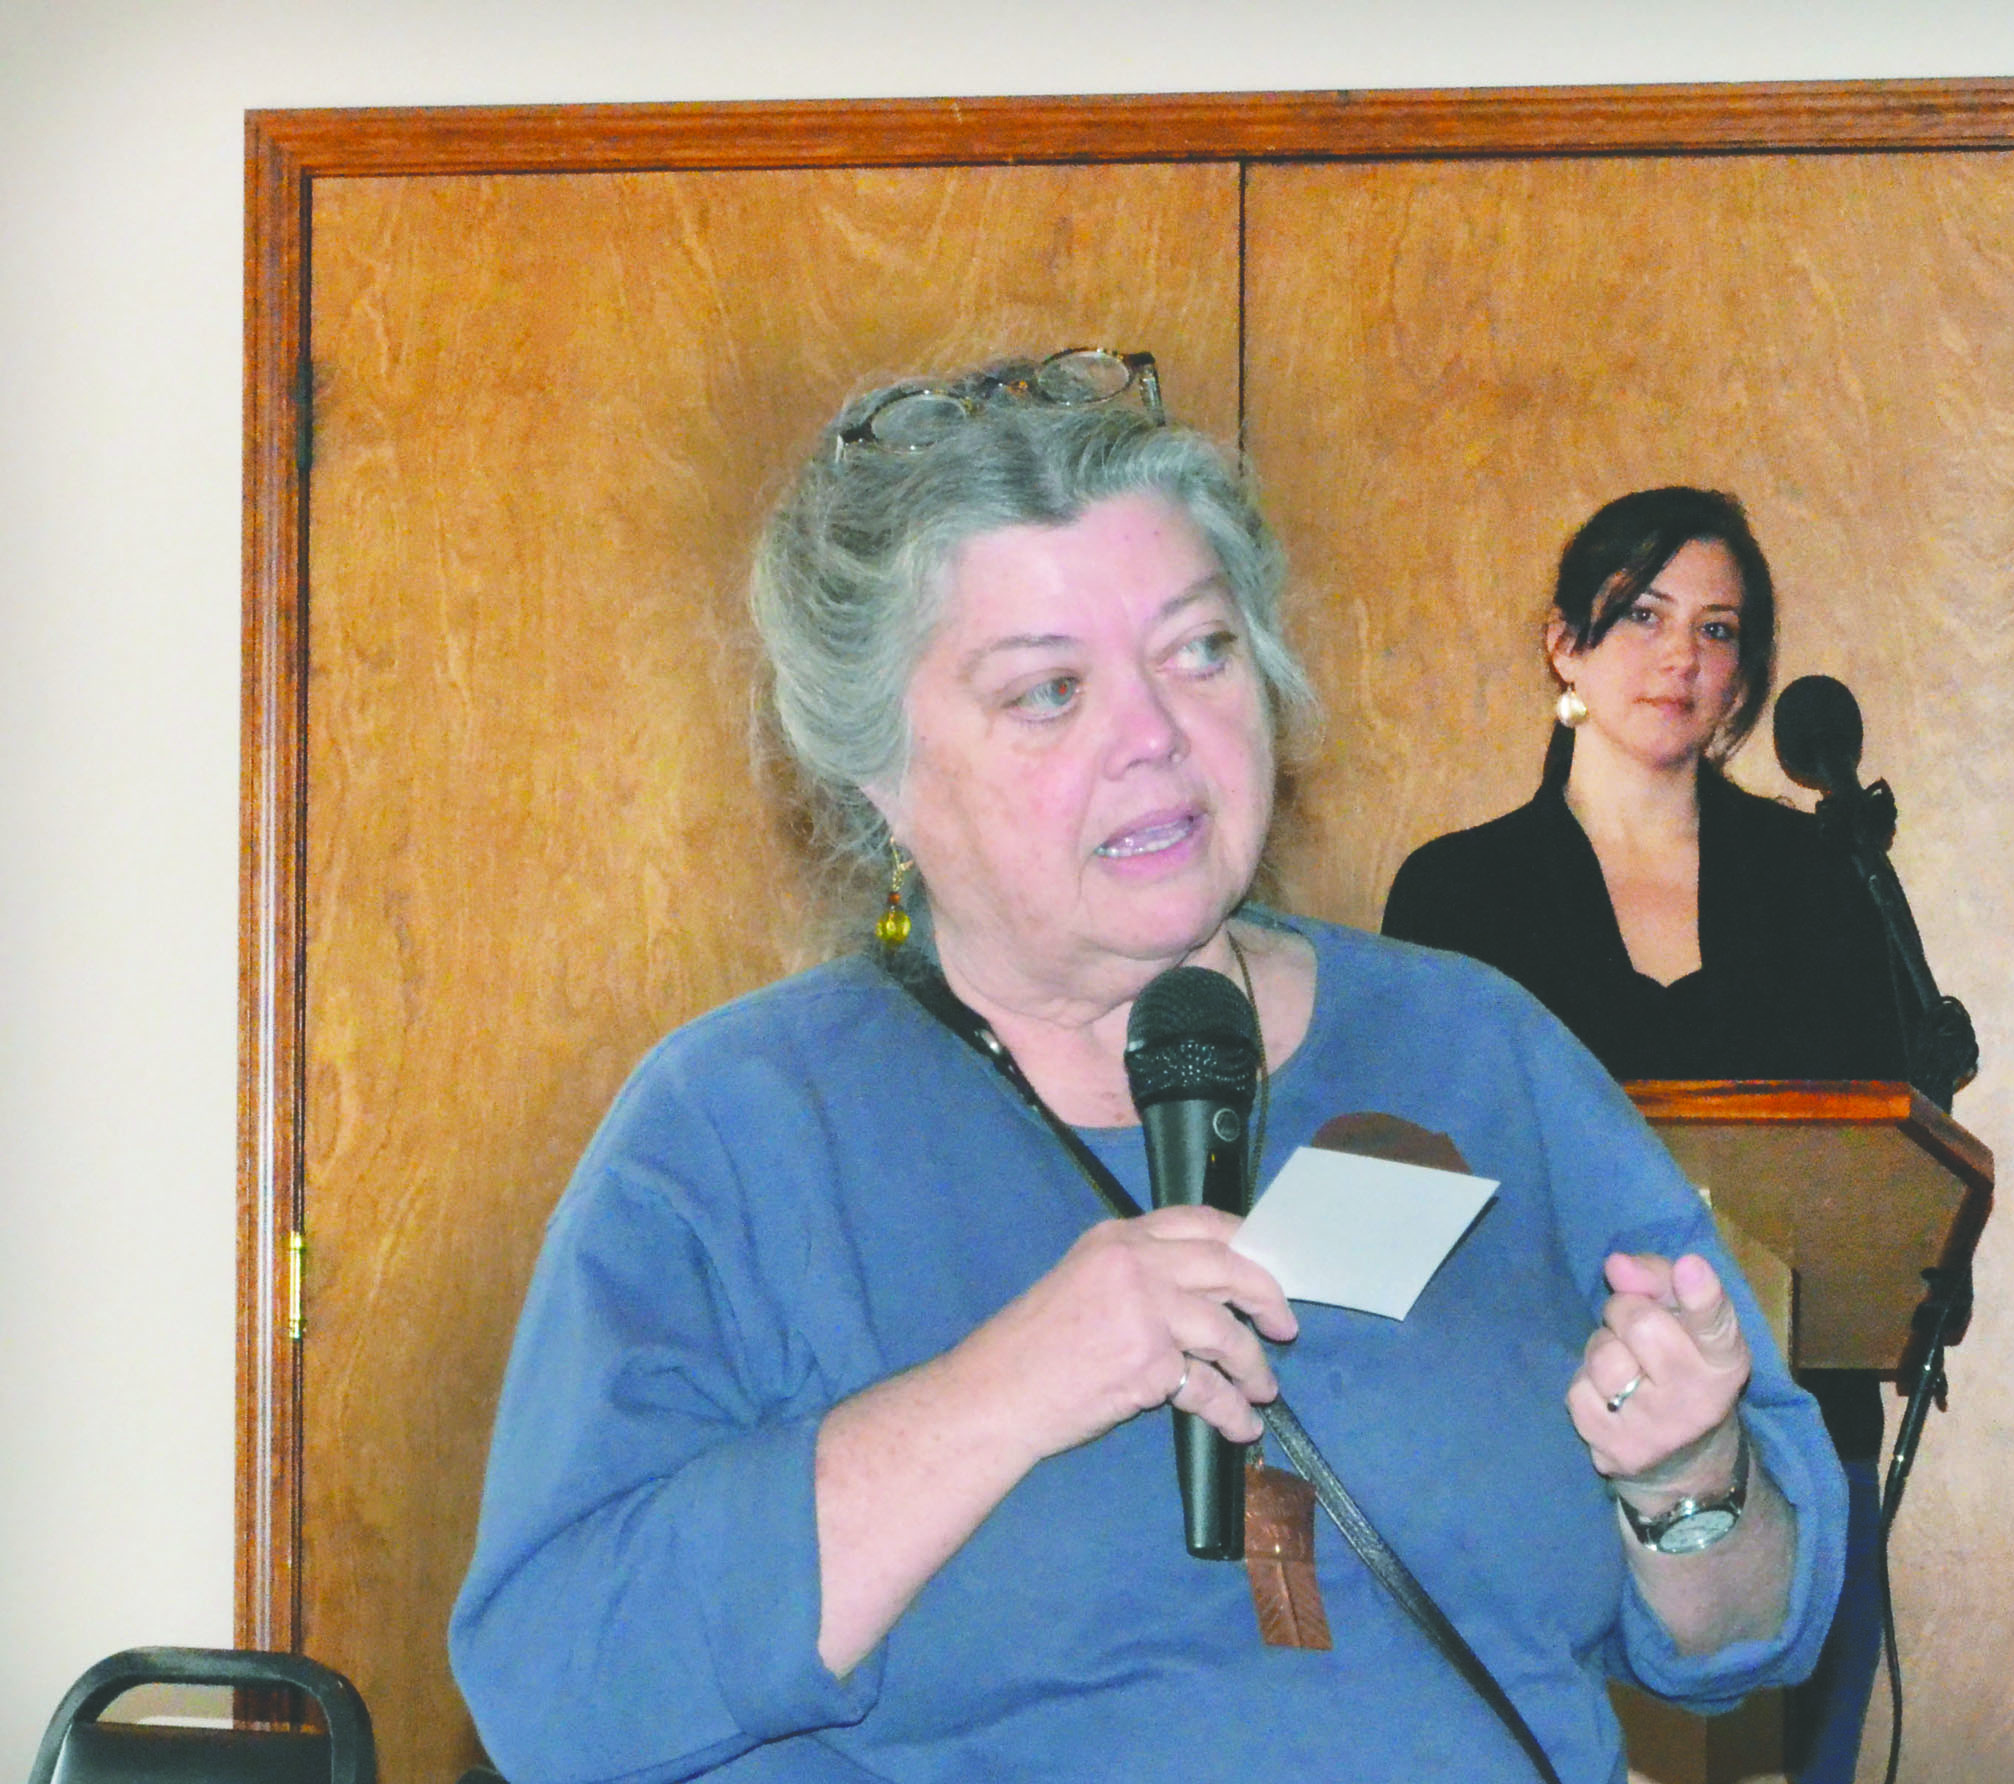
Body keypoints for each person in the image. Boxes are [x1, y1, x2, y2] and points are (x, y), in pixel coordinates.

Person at [449, 360, 1846, 1784]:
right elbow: (563, 1693)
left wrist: (1687, 1483)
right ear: (878, 775)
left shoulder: (1477, 1052)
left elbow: (1755, 1631)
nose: (1157, 738)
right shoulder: (739, 1130)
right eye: (1049, 691)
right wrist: (1010, 1384)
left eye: (1199, 651)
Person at [1381, 484, 1905, 1784]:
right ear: (1565, 642)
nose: (1681, 656)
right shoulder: (1457, 891)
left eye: (1720, 632)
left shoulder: (1822, 884)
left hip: (1793, 1425)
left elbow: (1882, 1151)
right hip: (1537, 1430)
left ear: (1747, 681)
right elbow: (1409, 1179)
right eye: (1645, 614)